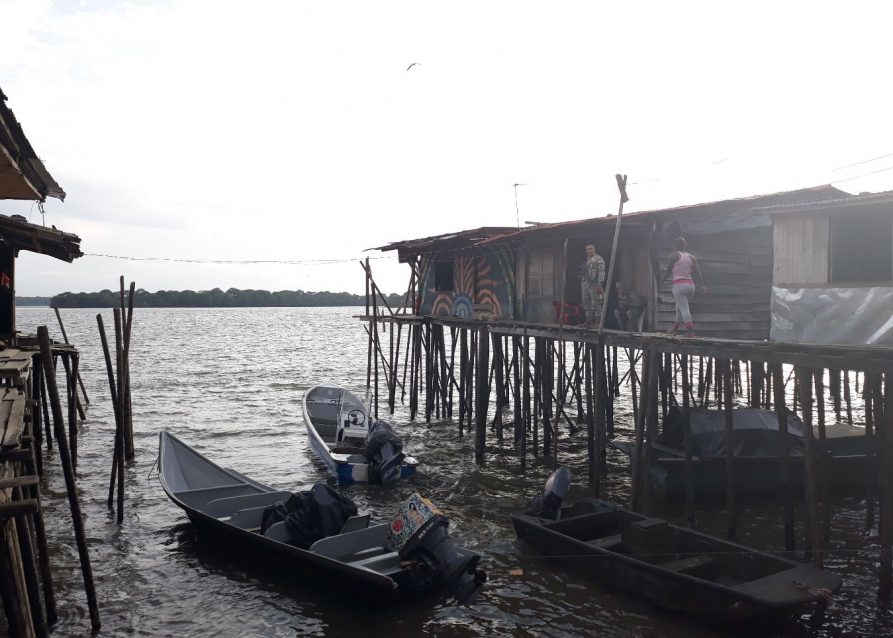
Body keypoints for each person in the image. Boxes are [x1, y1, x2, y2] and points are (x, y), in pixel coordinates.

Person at [661, 237, 706, 335]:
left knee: (684, 308)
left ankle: (690, 331)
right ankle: (675, 327)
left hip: (679, 285)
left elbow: (668, 271)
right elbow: (698, 272)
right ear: (685, 246)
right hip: (691, 286)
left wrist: (662, 281)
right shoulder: (691, 257)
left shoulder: (674, 256)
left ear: (675, 246)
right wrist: (702, 284)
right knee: (680, 306)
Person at [580, 243, 606, 327]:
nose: (589, 250)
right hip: (585, 283)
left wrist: (600, 284)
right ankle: (588, 321)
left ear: (594, 249)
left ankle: (598, 323)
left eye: (591, 248)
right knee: (586, 302)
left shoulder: (599, 259)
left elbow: (602, 272)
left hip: (594, 284)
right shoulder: (587, 260)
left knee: (596, 303)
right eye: (587, 249)